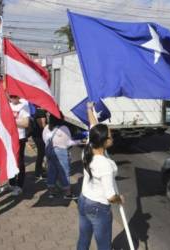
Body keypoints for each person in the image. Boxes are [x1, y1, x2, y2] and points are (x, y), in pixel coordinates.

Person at [76, 102, 124, 250]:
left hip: (84, 200)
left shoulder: (89, 147)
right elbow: (110, 196)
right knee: (104, 245)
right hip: (98, 207)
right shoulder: (104, 164)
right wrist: (119, 199)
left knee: (83, 239)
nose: (112, 138)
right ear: (103, 141)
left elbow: (93, 126)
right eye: (110, 136)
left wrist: (89, 108)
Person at [42, 113, 79, 199]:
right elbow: (68, 143)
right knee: (64, 172)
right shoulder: (64, 128)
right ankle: (67, 193)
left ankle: (51, 192)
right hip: (61, 152)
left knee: (51, 171)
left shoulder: (46, 128)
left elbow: (45, 140)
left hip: (49, 151)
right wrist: (79, 141)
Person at [9, 95, 30, 195]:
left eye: (14, 96)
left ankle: (20, 185)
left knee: (20, 161)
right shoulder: (7, 105)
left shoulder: (24, 106)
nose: (13, 98)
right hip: (9, 137)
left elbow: (26, 124)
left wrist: (11, 122)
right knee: (10, 161)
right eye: (11, 96)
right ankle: (12, 183)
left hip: (20, 137)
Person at [31, 106, 47, 180]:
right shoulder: (41, 113)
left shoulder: (38, 111)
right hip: (39, 136)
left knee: (41, 153)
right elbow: (42, 125)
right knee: (41, 153)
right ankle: (38, 172)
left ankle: (39, 169)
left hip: (36, 135)